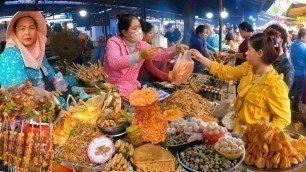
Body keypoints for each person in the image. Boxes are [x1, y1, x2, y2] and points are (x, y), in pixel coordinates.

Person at [190, 28, 291, 134]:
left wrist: (262, 135)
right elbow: (225, 71)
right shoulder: (248, 69)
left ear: (260, 53)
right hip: (238, 130)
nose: (246, 53)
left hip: (252, 139)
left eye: (249, 49)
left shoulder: (275, 85)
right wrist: (201, 58)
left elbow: (283, 119)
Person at [104, 14, 188, 98]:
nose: (139, 30)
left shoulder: (142, 44)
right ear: (125, 32)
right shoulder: (113, 42)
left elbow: (161, 54)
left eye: (140, 27)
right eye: (135, 28)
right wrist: (139, 55)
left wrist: (176, 49)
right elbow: (114, 62)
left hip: (131, 85)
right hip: (113, 86)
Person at [0, 11, 70, 92]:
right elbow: (19, 92)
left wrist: (57, 81)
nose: (27, 33)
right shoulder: (10, 55)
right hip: (27, 101)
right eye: (22, 28)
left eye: (31, 28)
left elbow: (47, 68)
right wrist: (55, 99)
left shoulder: (38, 50)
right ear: (14, 32)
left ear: (37, 31)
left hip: (43, 93)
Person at [265, 24, 294, 89]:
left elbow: (283, 96)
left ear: (279, 42)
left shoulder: (287, 68)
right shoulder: (264, 59)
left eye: (270, 40)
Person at [290, 28, 306, 112]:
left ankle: (286, 103)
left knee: (291, 89)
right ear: (302, 37)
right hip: (301, 73)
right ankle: (295, 108)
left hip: (292, 71)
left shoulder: (293, 44)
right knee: (299, 91)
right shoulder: (304, 47)